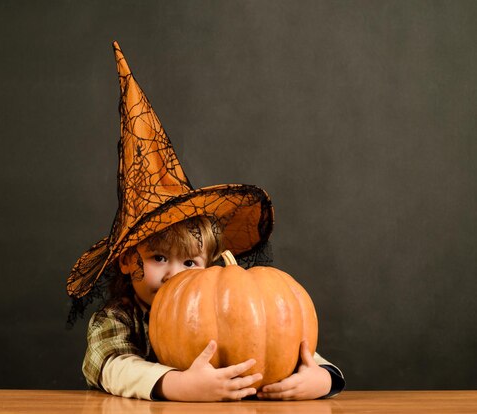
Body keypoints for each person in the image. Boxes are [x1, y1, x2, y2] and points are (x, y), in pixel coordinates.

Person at [66, 41, 345, 401]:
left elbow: (277, 339)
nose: (173, 274)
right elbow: (111, 366)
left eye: (189, 262)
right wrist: (177, 385)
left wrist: (319, 378)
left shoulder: (226, 306)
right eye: (159, 258)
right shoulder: (118, 318)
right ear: (126, 259)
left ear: (209, 265)